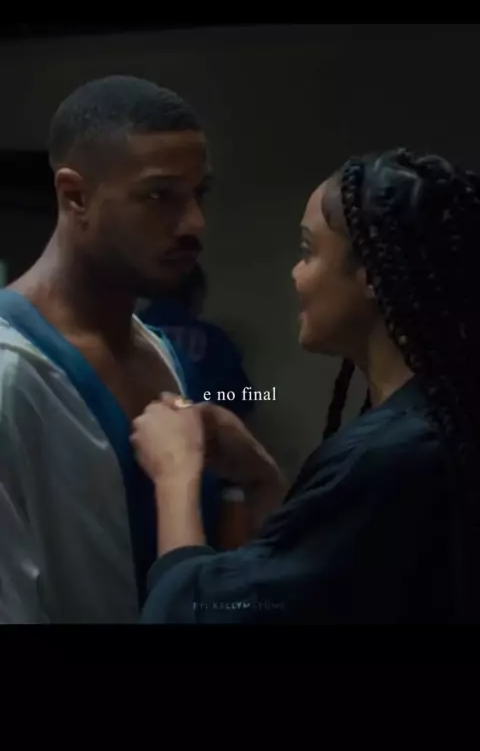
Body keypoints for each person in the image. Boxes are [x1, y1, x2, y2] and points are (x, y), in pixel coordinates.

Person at [131, 148, 480, 624]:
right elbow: (324, 572)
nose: (296, 275)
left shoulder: (397, 456)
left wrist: (175, 473)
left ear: (372, 273)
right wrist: (262, 479)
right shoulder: (443, 419)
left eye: (307, 251)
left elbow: (203, 615)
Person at [0, 75, 255, 624]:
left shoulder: (163, 353)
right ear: (76, 196)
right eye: (160, 195)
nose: (195, 224)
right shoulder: (9, 374)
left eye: (199, 194)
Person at [138, 264, 255, 419]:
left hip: (140, 427)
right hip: (199, 427)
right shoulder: (214, 339)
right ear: (197, 293)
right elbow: (243, 400)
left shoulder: (130, 330)